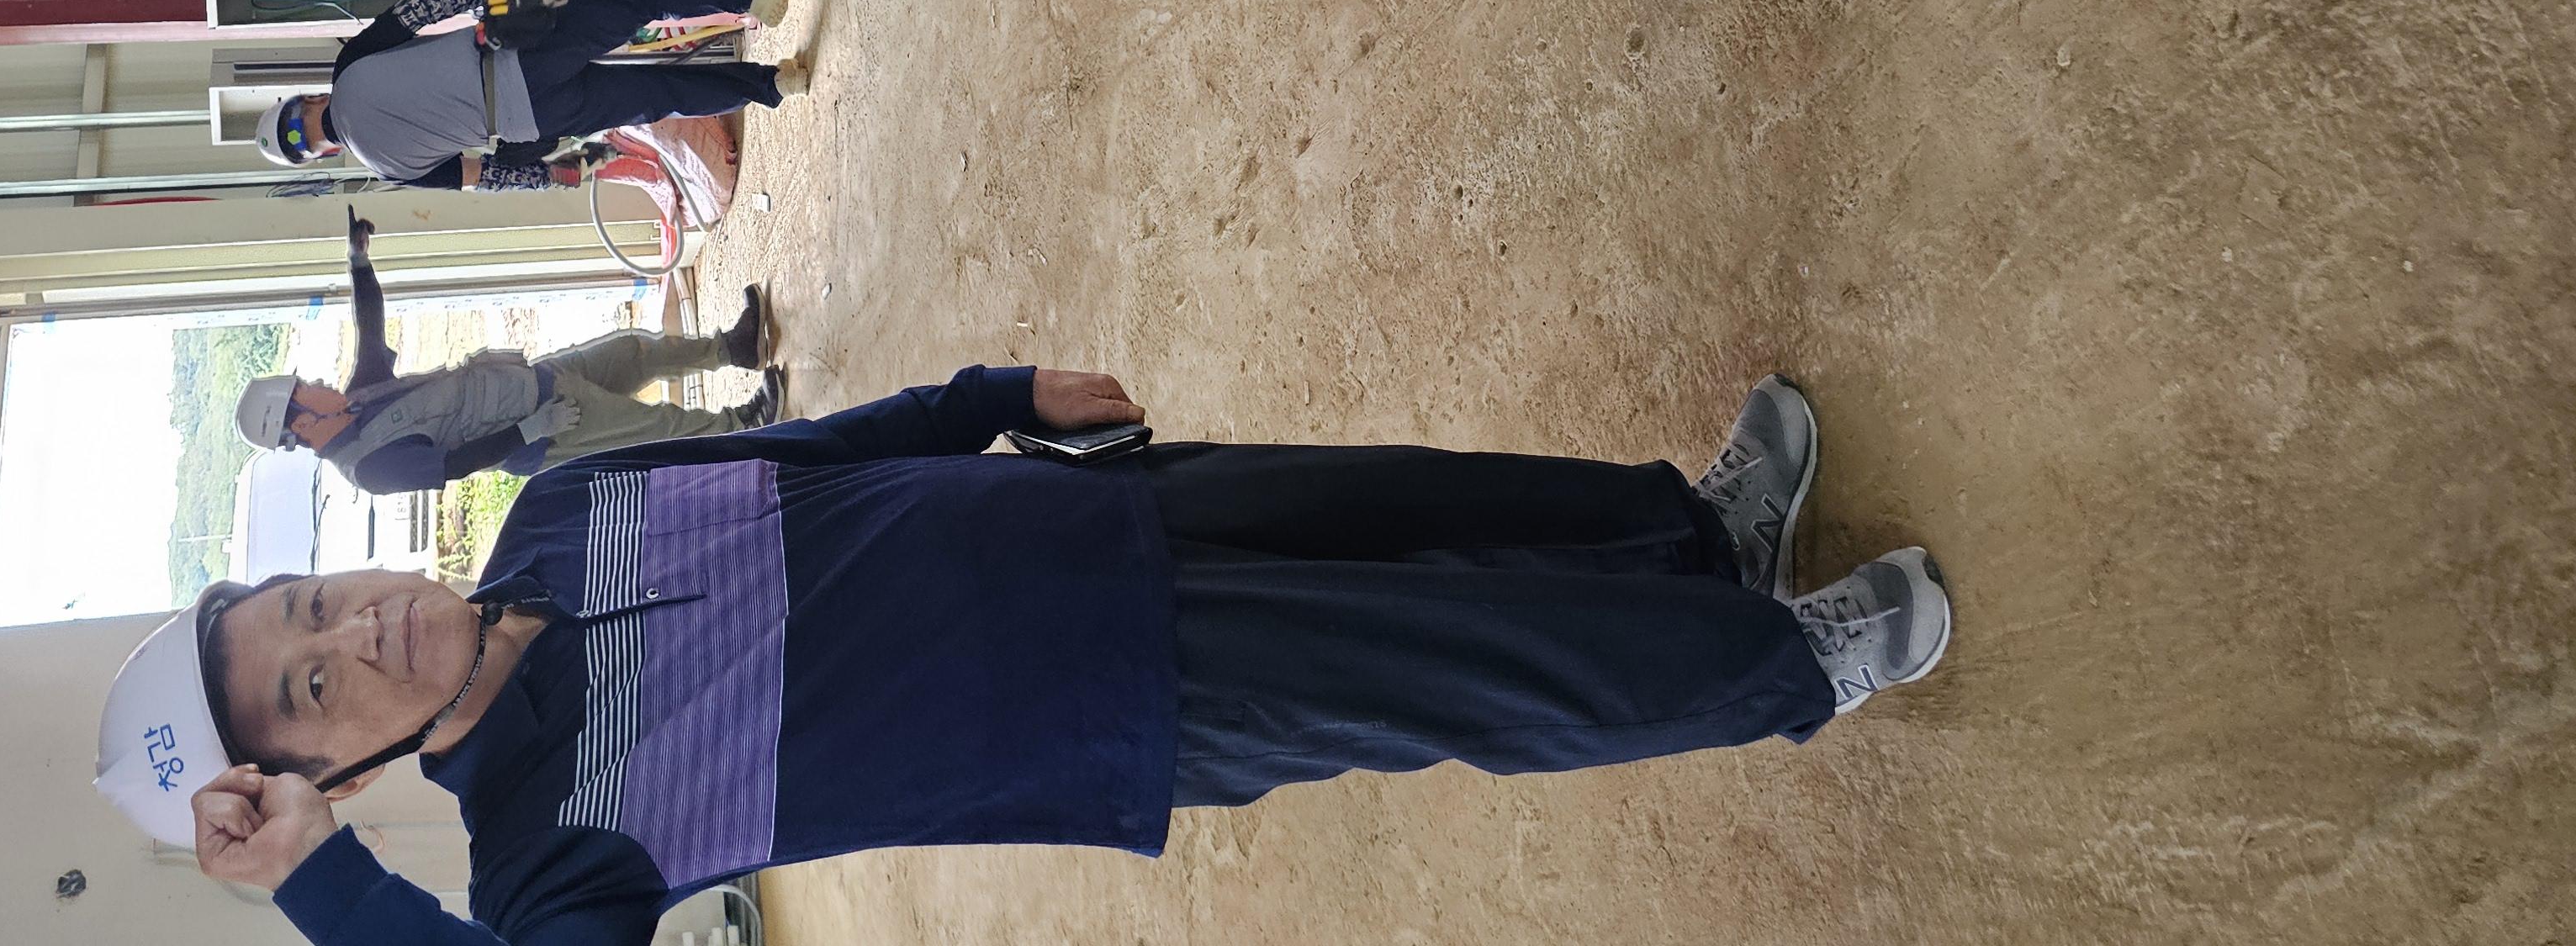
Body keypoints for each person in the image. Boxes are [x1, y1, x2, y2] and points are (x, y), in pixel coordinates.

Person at [95, 367, 1950, 943]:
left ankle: (1696, 539)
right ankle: (1790, 668)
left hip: (1102, 516)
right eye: (316, 689)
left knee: (1423, 507)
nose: (353, 629)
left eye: (308, 605)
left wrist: (983, 399)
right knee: (1472, 665)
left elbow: (801, 452)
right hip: (1122, 700)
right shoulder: (540, 851)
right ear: (330, 776)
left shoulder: (554, 514)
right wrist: (318, 891)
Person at [238, 222, 782, 494]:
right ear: (302, 422)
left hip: (534, 380)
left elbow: (370, 327)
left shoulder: (360, 398)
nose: (314, 380)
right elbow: (454, 465)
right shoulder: (369, 468)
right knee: (654, 426)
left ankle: (732, 349)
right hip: (543, 428)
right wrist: (532, 430)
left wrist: (358, 262)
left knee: (632, 351)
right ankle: (746, 428)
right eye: (302, 388)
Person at [260, 0, 812, 193]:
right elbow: (416, 12)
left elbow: (483, 177)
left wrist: (554, 174)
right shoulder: (348, 70)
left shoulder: (389, 169)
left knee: (658, 94)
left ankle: (774, 84)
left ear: (323, 155)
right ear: (310, 101)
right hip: (521, 55)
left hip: (535, 120)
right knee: (637, 1)